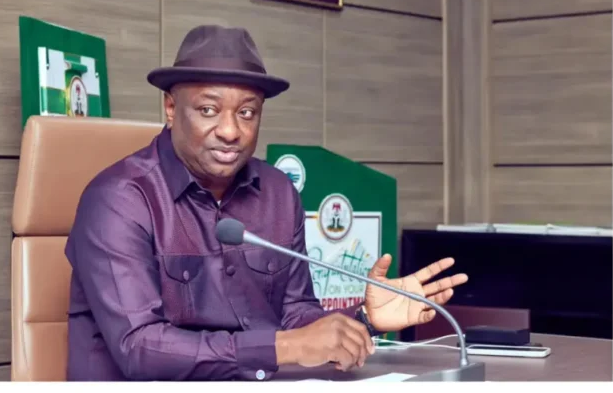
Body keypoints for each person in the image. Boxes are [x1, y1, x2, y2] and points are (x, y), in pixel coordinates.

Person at [64, 25, 468, 381]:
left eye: (247, 112)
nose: (230, 131)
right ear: (171, 108)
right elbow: (139, 347)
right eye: (208, 110)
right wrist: (282, 348)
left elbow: (295, 314)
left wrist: (361, 320)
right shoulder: (120, 199)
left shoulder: (277, 192)